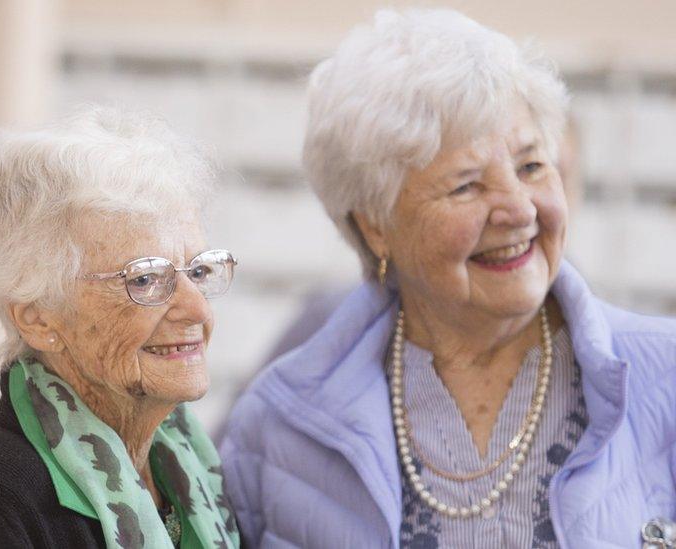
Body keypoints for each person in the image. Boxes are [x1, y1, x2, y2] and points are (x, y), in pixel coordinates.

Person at [219, 9, 676, 548]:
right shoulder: (279, 431)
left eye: (532, 167)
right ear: (376, 225)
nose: (519, 210)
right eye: (466, 186)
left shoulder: (664, 378)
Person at [0, 106, 240, 549]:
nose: (197, 310)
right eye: (145, 279)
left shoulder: (185, 461)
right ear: (37, 317)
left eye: (198, 271)